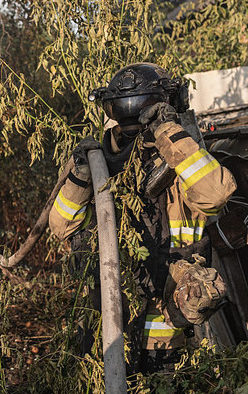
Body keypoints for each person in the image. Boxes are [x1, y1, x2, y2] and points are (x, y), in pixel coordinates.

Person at [48, 63, 235, 372]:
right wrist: (81, 176)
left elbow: (215, 195)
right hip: (105, 330)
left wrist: (169, 133)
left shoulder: (181, 159)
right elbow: (62, 227)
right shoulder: (98, 161)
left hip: (162, 334)